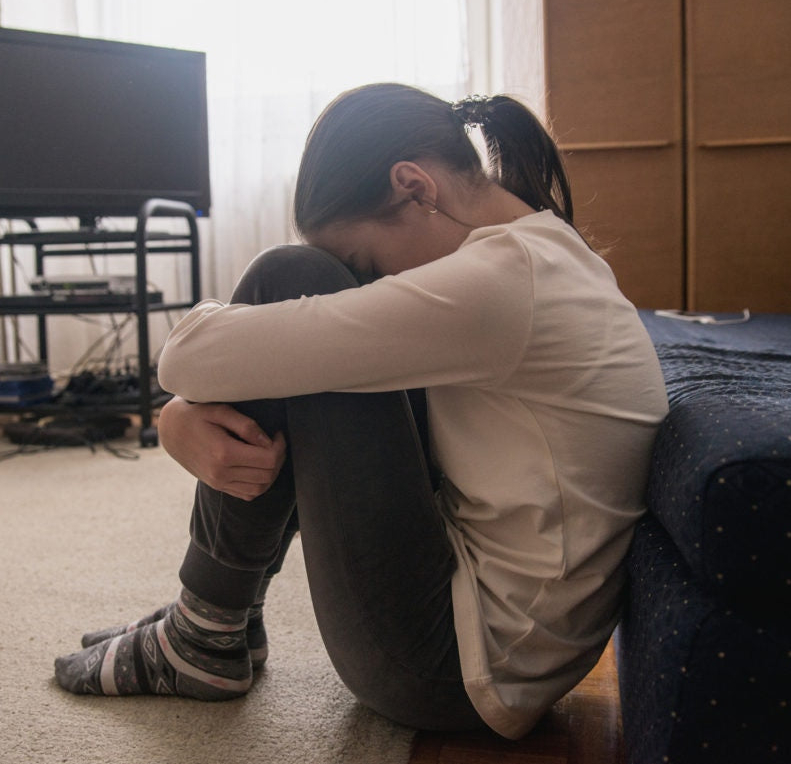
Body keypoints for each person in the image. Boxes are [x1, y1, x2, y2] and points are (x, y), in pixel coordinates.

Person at [54, 82, 669, 740]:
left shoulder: (502, 284)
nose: (370, 284)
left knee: (291, 278)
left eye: (365, 264)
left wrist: (175, 413)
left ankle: (203, 633)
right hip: (500, 652)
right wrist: (186, 403)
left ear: (415, 187)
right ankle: (213, 623)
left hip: (453, 672)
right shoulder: (541, 254)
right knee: (301, 335)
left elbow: (187, 358)